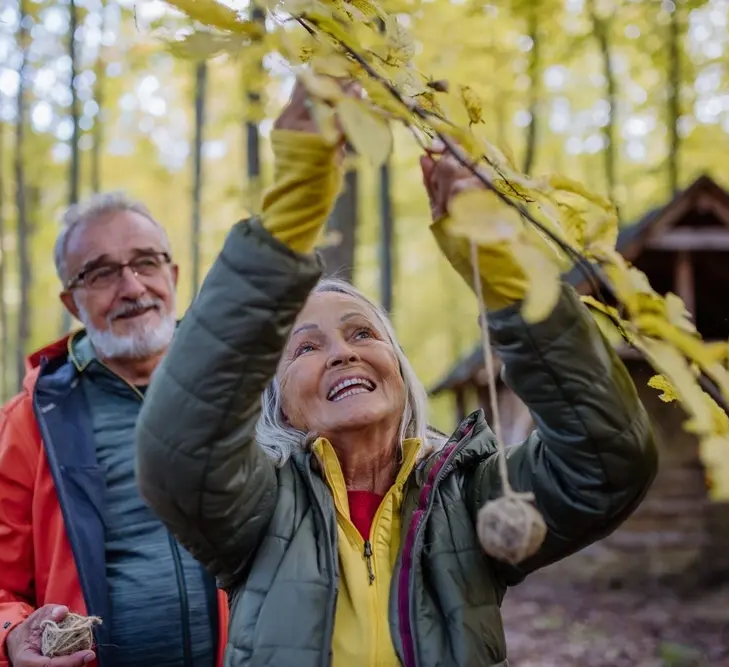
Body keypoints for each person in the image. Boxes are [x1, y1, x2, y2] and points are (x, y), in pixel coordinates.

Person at [135, 80, 658, 667]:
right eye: (305, 348)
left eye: (362, 333)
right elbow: (179, 450)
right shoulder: (259, 507)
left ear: (398, 367)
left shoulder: (470, 496)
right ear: (276, 402)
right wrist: (292, 213)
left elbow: (609, 463)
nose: (342, 352)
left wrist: (509, 276)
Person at [0, 193, 229, 667]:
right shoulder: (33, 419)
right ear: (72, 302)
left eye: (146, 262)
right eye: (101, 273)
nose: (132, 286)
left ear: (174, 275)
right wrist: (13, 635)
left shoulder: (243, 384)